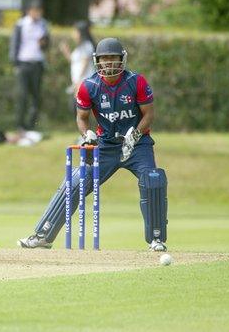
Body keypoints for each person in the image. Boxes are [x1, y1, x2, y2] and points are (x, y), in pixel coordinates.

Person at [17, 38, 168, 252]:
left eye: (113, 58)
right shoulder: (89, 86)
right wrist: (87, 133)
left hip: (137, 144)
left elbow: (149, 114)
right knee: (76, 181)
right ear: (98, 61)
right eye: (104, 58)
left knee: (152, 180)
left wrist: (134, 135)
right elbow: (82, 118)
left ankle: (156, 238)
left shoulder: (136, 82)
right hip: (105, 145)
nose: (109, 63)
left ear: (121, 59)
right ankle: (43, 235)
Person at [9, 0, 50, 132]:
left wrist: (43, 43)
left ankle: (31, 124)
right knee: (22, 95)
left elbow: (47, 44)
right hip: (23, 63)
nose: (37, 13)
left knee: (36, 96)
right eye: (35, 10)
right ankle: (19, 124)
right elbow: (14, 44)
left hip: (37, 63)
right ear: (29, 11)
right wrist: (15, 63)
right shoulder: (21, 24)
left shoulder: (43, 24)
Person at [59, 21, 96, 106]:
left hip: (83, 80)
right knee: (76, 106)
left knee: (78, 106)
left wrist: (78, 81)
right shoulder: (80, 47)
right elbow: (73, 62)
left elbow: (84, 64)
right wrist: (66, 51)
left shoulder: (86, 45)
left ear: (81, 33)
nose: (73, 34)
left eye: (75, 31)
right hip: (78, 81)